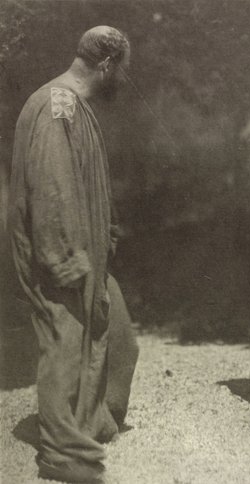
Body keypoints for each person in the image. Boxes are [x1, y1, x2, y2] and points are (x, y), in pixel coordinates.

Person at [8, 26, 139, 482]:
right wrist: (64, 258)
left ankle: (93, 421)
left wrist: (106, 237)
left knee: (120, 340)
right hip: (61, 254)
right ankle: (64, 456)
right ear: (106, 64)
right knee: (65, 348)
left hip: (87, 253)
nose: (122, 78)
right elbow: (52, 186)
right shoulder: (56, 105)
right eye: (121, 69)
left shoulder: (74, 105)